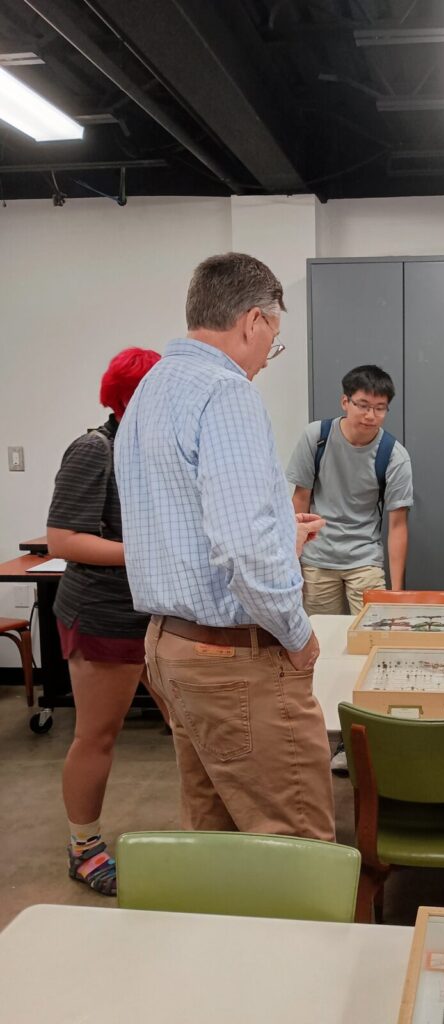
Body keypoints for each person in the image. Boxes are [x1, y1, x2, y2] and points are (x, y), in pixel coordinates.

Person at [115, 252, 335, 841]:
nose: (266, 358)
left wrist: (284, 534)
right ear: (252, 321)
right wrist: (297, 634)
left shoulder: (151, 389)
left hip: (171, 646)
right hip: (233, 657)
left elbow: (185, 525)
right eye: (273, 341)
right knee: (294, 845)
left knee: (212, 840)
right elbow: (242, 550)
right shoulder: (226, 392)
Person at [47, 346, 161, 896]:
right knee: (98, 735)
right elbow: (64, 540)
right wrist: (148, 552)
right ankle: (84, 849)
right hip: (103, 613)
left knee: (189, 728)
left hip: (157, 611)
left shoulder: (151, 450)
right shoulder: (95, 449)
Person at [286, 364, 413, 615]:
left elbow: (398, 525)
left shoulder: (394, 455)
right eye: (363, 405)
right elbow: (300, 500)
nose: (370, 415)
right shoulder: (317, 437)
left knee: (373, 630)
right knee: (321, 633)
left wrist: (397, 593)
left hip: (365, 559)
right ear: (345, 402)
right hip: (317, 557)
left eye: (380, 408)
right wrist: (291, 562)